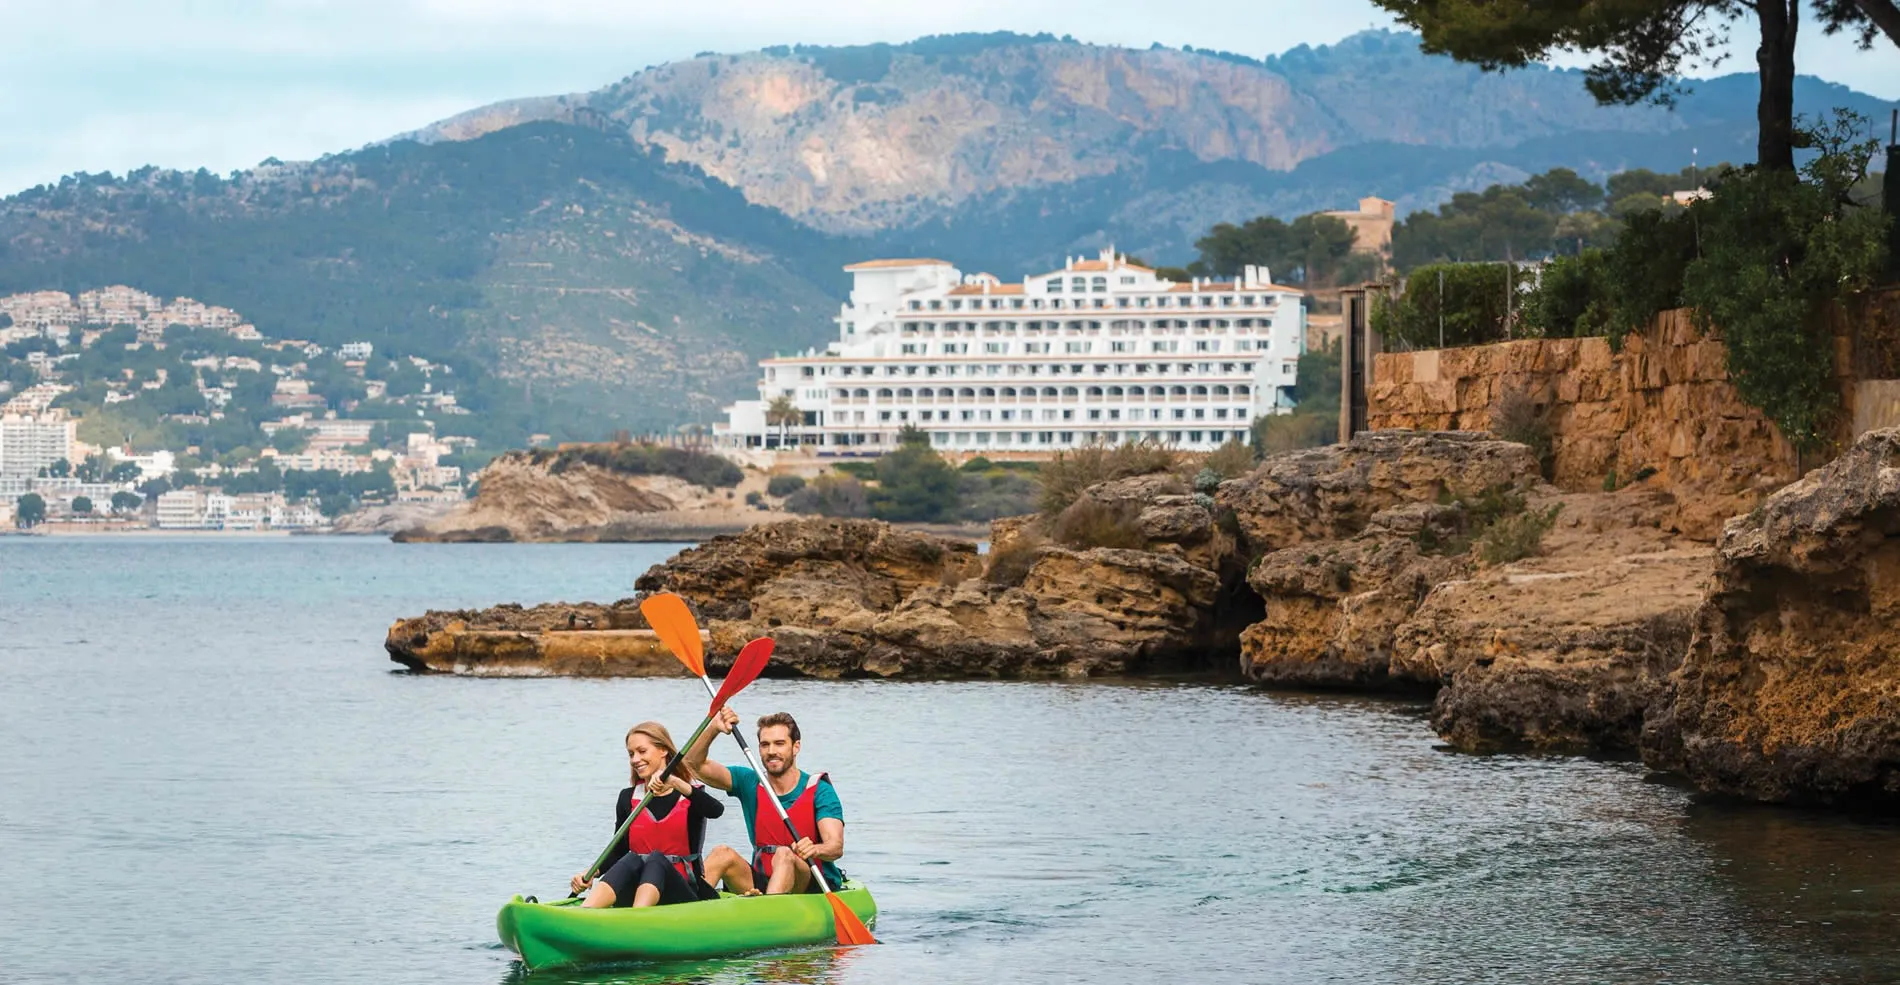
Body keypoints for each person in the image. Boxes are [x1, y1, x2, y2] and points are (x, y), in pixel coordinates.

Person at [685, 708, 845, 896]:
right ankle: (688, 908)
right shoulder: (749, 781)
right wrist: (714, 728)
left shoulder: (820, 790)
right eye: (765, 745)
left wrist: (816, 849)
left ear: (796, 747)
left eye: (779, 744)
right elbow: (693, 764)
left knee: (785, 854)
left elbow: (835, 847)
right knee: (722, 853)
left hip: (810, 881)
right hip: (762, 877)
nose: (771, 751)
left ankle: (767, 907)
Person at [570, 721, 725, 908]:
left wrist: (676, 783)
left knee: (656, 859)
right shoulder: (628, 797)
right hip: (634, 890)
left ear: (663, 751)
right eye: (631, 754)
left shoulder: (689, 794)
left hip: (682, 894)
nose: (635, 759)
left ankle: (639, 919)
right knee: (632, 857)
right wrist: (591, 873)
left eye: (642, 751)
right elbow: (618, 851)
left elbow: (716, 810)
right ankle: (585, 912)